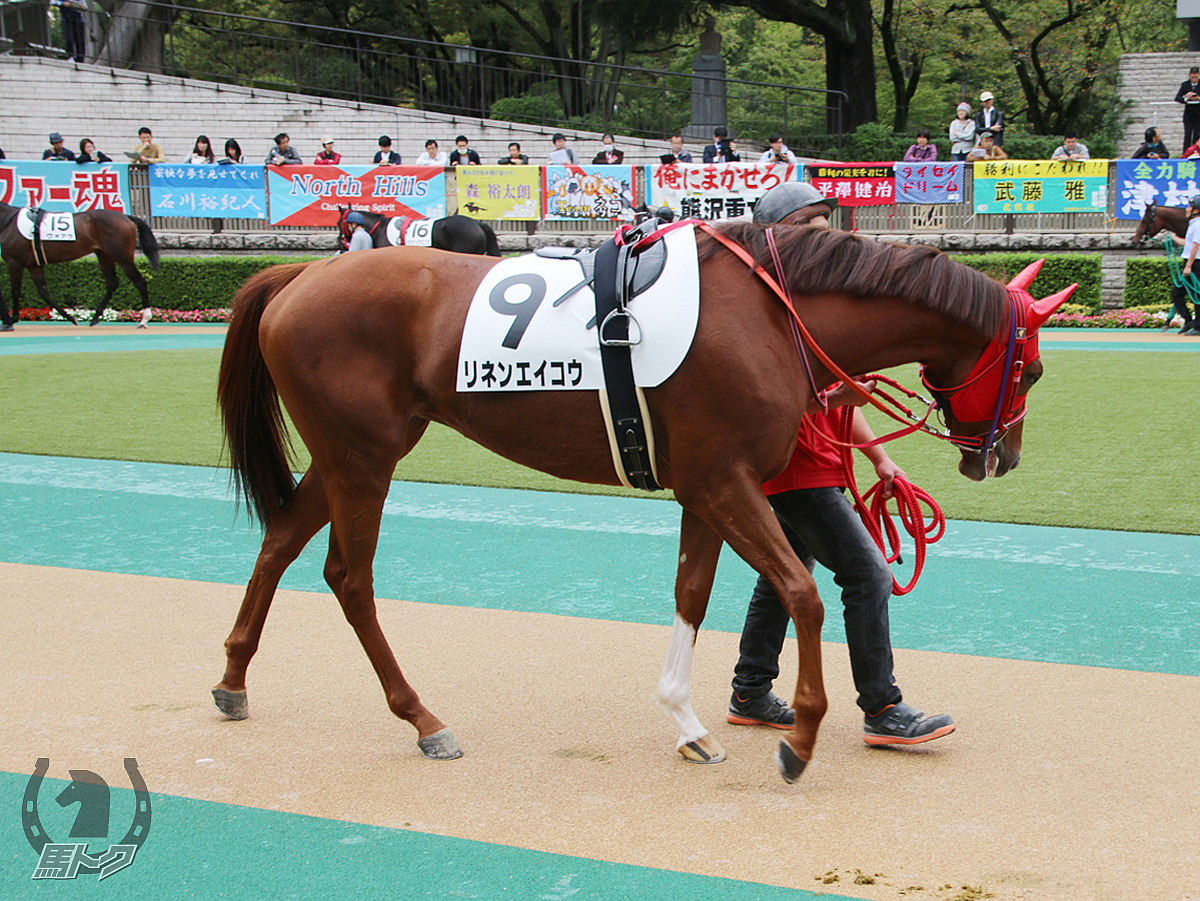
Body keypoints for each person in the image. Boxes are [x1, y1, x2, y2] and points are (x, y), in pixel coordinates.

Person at [726, 180, 955, 746]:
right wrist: (830, 398)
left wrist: (881, 459)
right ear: (779, 234)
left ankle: (750, 691)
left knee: (780, 577)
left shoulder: (815, 301)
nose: (825, 235)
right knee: (867, 574)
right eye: (811, 226)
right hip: (796, 465)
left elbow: (845, 395)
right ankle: (882, 708)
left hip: (811, 465)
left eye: (826, 224)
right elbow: (768, 392)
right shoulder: (768, 303)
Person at [1169, 195, 1200, 335]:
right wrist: (1174, 238)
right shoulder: (1193, 223)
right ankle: (1189, 320)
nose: (1187, 209)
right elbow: (1188, 244)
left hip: (1195, 264)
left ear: (1196, 210)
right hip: (1191, 263)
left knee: (1197, 295)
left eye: (1189, 207)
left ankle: (1198, 327)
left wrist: (1188, 266)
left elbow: (1195, 247)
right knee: (1177, 293)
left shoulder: (1198, 224)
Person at [1176, 68, 1200, 154]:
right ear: (1189, 76)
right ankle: (1186, 153)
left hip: (1198, 114)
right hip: (1188, 114)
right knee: (1188, 135)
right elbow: (1177, 97)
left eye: (1196, 77)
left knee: (1197, 135)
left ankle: (1196, 153)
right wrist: (1186, 98)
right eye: (1192, 77)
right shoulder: (1185, 85)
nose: (1194, 79)